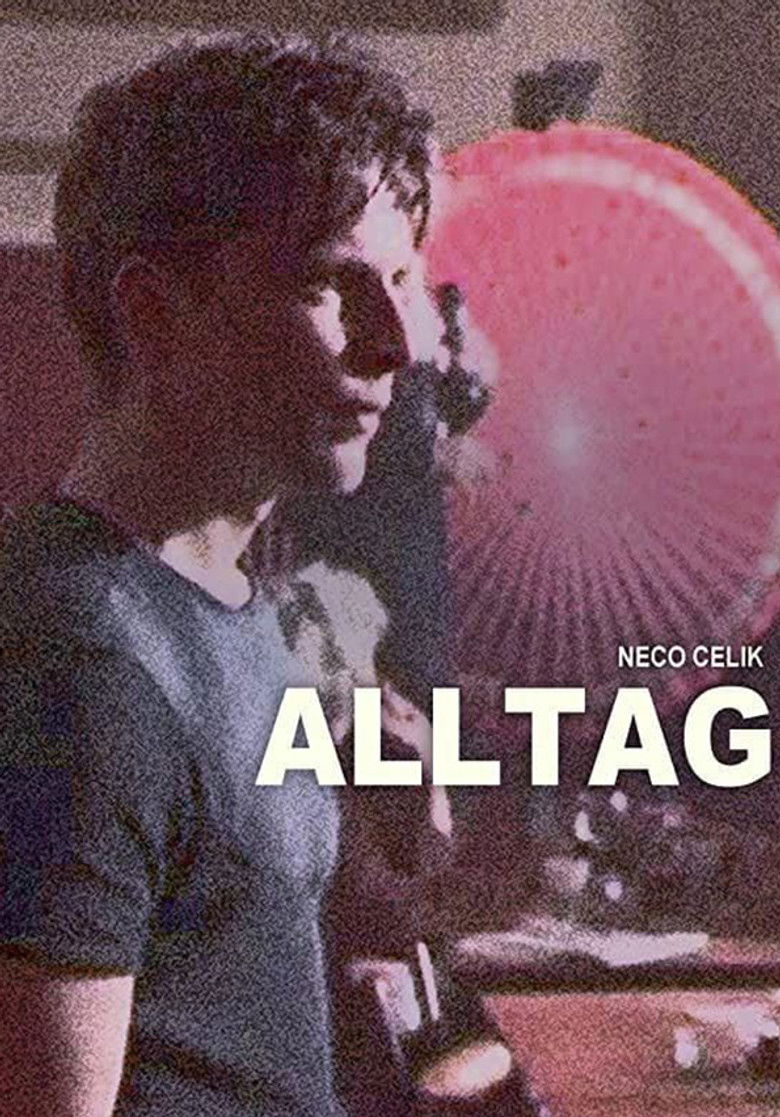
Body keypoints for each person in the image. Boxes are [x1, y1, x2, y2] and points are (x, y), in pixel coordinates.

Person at [0, 32, 448, 1117]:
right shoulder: (82, 661)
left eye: (399, 279)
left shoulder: (222, 597)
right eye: (332, 282)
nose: (397, 342)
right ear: (155, 315)